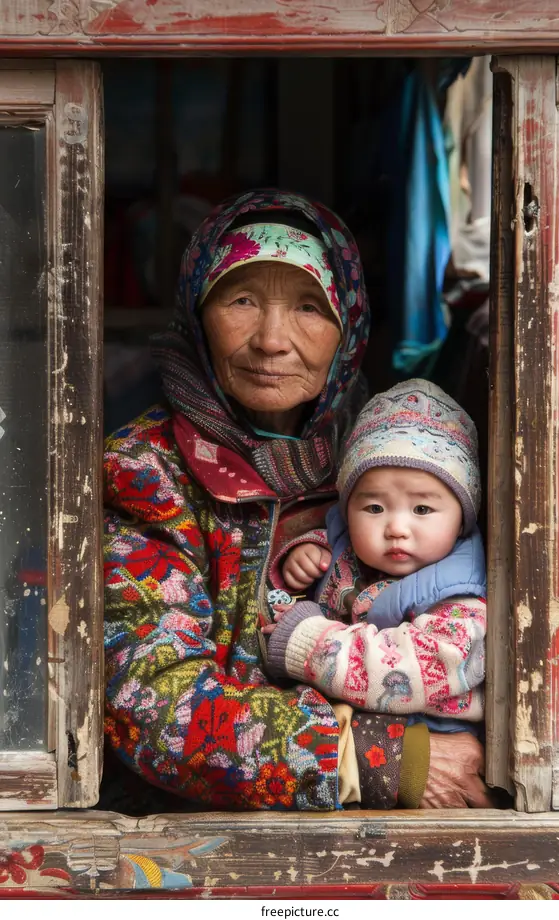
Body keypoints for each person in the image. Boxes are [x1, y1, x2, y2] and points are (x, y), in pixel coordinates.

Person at [104, 189, 493, 811]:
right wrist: (377, 756)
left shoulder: (399, 456)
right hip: (199, 830)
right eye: (241, 300)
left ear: (349, 326)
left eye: (310, 306)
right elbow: (151, 702)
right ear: (196, 313)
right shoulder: (146, 471)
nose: (272, 340)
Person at [265, 380, 486, 739]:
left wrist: (307, 641)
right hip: (358, 729)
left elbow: (408, 670)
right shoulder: (348, 548)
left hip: (428, 736)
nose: (396, 528)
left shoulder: (461, 600)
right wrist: (306, 555)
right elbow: (332, 557)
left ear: (462, 519)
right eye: (374, 508)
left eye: (422, 509)